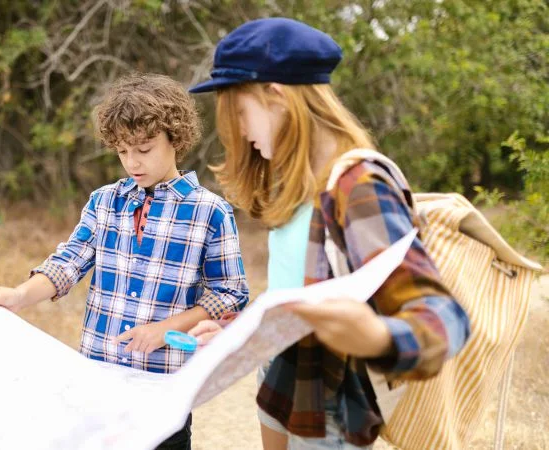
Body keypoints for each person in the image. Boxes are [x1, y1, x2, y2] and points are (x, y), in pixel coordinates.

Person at [187, 18, 470, 449]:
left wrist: (377, 337)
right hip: (282, 380)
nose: (240, 131)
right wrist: (241, 332)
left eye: (241, 113)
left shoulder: (359, 187)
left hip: (327, 409)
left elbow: (444, 315)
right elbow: (294, 291)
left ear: (277, 96)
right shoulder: (297, 181)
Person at [0, 73, 250, 449]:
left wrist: (166, 328)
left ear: (175, 138)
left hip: (164, 387)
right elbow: (68, 263)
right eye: (123, 151)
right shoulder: (104, 202)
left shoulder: (210, 211)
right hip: (99, 380)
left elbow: (230, 292)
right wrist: (19, 295)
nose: (132, 162)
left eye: (144, 149)